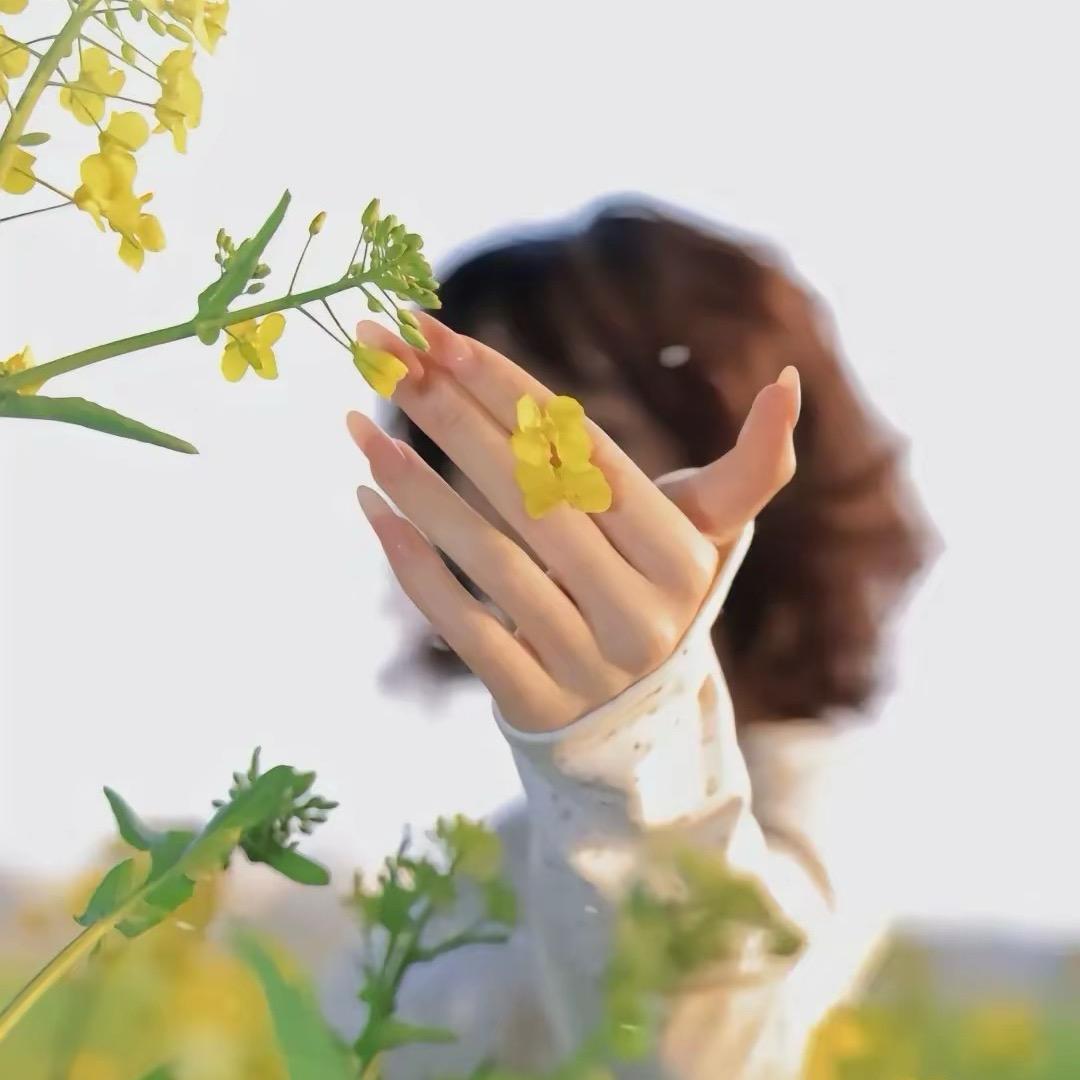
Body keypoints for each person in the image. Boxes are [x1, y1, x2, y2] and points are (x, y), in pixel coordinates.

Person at [340, 198, 937, 1078]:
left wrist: (629, 750)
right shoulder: (483, 859)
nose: (506, 484)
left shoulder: (828, 818)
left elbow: (696, 1046)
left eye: (569, 419)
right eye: (462, 435)